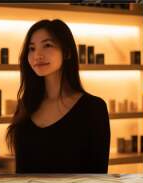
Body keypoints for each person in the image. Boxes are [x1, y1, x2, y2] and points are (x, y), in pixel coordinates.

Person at [6, 19, 110, 173]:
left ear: (67, 52)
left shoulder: (93, 108)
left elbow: (98, 176)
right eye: (32, 48)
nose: (37, 55)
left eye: (47, 45)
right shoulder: (26, 105)